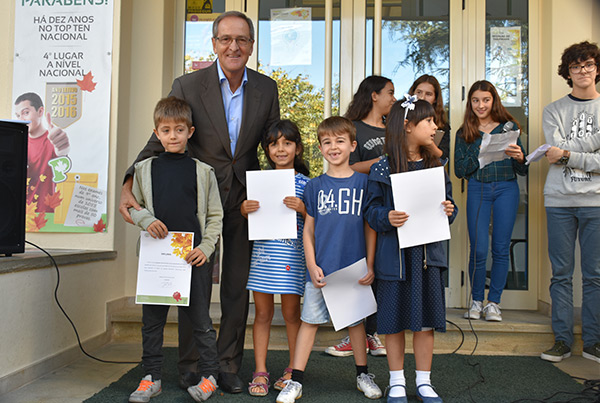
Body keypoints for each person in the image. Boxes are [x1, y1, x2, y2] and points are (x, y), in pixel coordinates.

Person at [118, 11, 280, 393]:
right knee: (192, 283)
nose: (233, 46)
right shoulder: (188, 85)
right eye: (225, 39)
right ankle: (190, 366)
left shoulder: (266, 88)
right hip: (195, 198)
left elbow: (273, 145)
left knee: (236, 287)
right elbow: (161, 138)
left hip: (245, 202)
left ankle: (226, 366)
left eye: (241, 40)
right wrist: (128, 184)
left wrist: (288, 188)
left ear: (252, 46)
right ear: (213, 44)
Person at [276, 116, 382, 403]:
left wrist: (370, 264)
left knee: (356, 322)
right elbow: (308, 230)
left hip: (354, 268)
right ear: (320, 148)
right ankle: (295, 381)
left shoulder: (365, 183)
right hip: (321, 268)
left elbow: (369, 227)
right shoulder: (314, 186)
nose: (333, 147)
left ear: (352, 145)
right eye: (327, 142)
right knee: (308, 322)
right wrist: (311, 264)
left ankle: (362, 374)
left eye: (339, 141)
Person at [127, 97, 223, 403]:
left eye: (179, 130)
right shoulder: (143, 169)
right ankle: (151, 377)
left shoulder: (203, 171)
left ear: (190, 132)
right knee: (152, 321)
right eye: (166, 130)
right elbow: (134, 207)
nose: (172, 135)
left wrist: (206, 248)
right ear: (156, 133)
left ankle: (209, 376)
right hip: (157, 259)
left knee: (201, 321)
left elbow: (215, 215)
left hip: (193, 259)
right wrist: (146, 219)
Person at [365, 98, 457, 403]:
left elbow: (449, 206)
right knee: (393, 321)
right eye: (428, 122)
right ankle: (396, 381)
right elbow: (371, 211)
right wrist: (386, 217)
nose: (435, 127)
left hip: (427, 258)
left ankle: (424, 381)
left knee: (425, 320)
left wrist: (448, 209)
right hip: (395, 259)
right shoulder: (382, 166)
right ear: (407, 126)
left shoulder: (436, 166)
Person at [540, 41, 600, 364]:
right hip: (559, 200)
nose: (582, 71)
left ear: (597, 69)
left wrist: (566, 154)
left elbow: (562, 152)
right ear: (568, 72)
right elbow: (553, 150)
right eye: (576, 67)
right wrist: (589, 147)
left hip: (597, 202)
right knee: (561, 274)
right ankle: (561, 341)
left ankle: (593, 343)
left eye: (588, 64)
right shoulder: (553, 110)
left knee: (595, 275)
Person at [324, 76, 393, 358]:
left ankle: (372, 334)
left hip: (387, 206)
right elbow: (346, 166)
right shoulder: (356, 129)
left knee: (376, 271)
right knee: (358, 270)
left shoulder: (393, 129)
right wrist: (380, 163)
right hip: (359, 205)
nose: (393, 98)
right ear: (374, 95)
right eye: (389, 92)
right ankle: (354, 334)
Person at [241, 120, 309, 396]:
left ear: (297, 148)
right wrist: (244, 209)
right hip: (263, 258)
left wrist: (303, 208)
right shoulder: (259, 181)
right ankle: (260, 371)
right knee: (263, 314)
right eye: (274, 143)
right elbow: (250, 215)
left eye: (287, 143)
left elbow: (315, 222)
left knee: (292, 314)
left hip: (292, 258)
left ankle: (293, 369)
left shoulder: (307, 184)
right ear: (267, 149)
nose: (280, 149)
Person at [454, 80, 528, 322]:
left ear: (494, 100)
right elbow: (459, 170)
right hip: (478, 189)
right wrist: (480, 155)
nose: (481, 105)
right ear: (470, 103)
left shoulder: (509, 127)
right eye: (475, 100)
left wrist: (520, 157)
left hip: (507, 188)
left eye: (485, 100)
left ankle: (493, 303)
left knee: (500, 247)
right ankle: (476, 301)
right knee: (478, 249)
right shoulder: (464, 132)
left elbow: (523, 169)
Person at [14, 92, 70, 213]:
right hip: (20, 214)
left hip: (46, 214)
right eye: (18, 115)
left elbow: (61, 155)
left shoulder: (51, 140)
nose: (21, 119)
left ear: (40, 112)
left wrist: (62, 147)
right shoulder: (17, 143)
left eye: (25, 113)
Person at [408, 74, 450, 161]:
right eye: (419, 92)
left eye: (428, 94)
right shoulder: (401, 117)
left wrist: (428, 141)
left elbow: (444, 156)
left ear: (435, 98)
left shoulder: (441, 125)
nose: (422, 97)